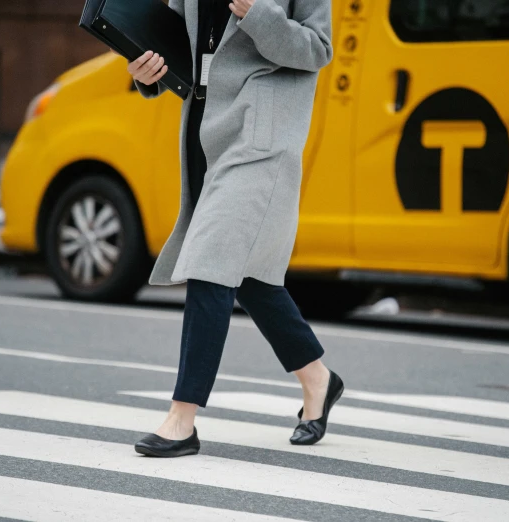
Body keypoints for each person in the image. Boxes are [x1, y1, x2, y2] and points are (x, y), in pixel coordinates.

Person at [127, 0, 340, 458]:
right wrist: (148, 72)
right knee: (249, 279)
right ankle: (318, 378)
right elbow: (179, 43)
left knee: (211, 263)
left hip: (260, 136)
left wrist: (257, 14)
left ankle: (181, 420)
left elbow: (318, 48)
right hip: (205, 130)